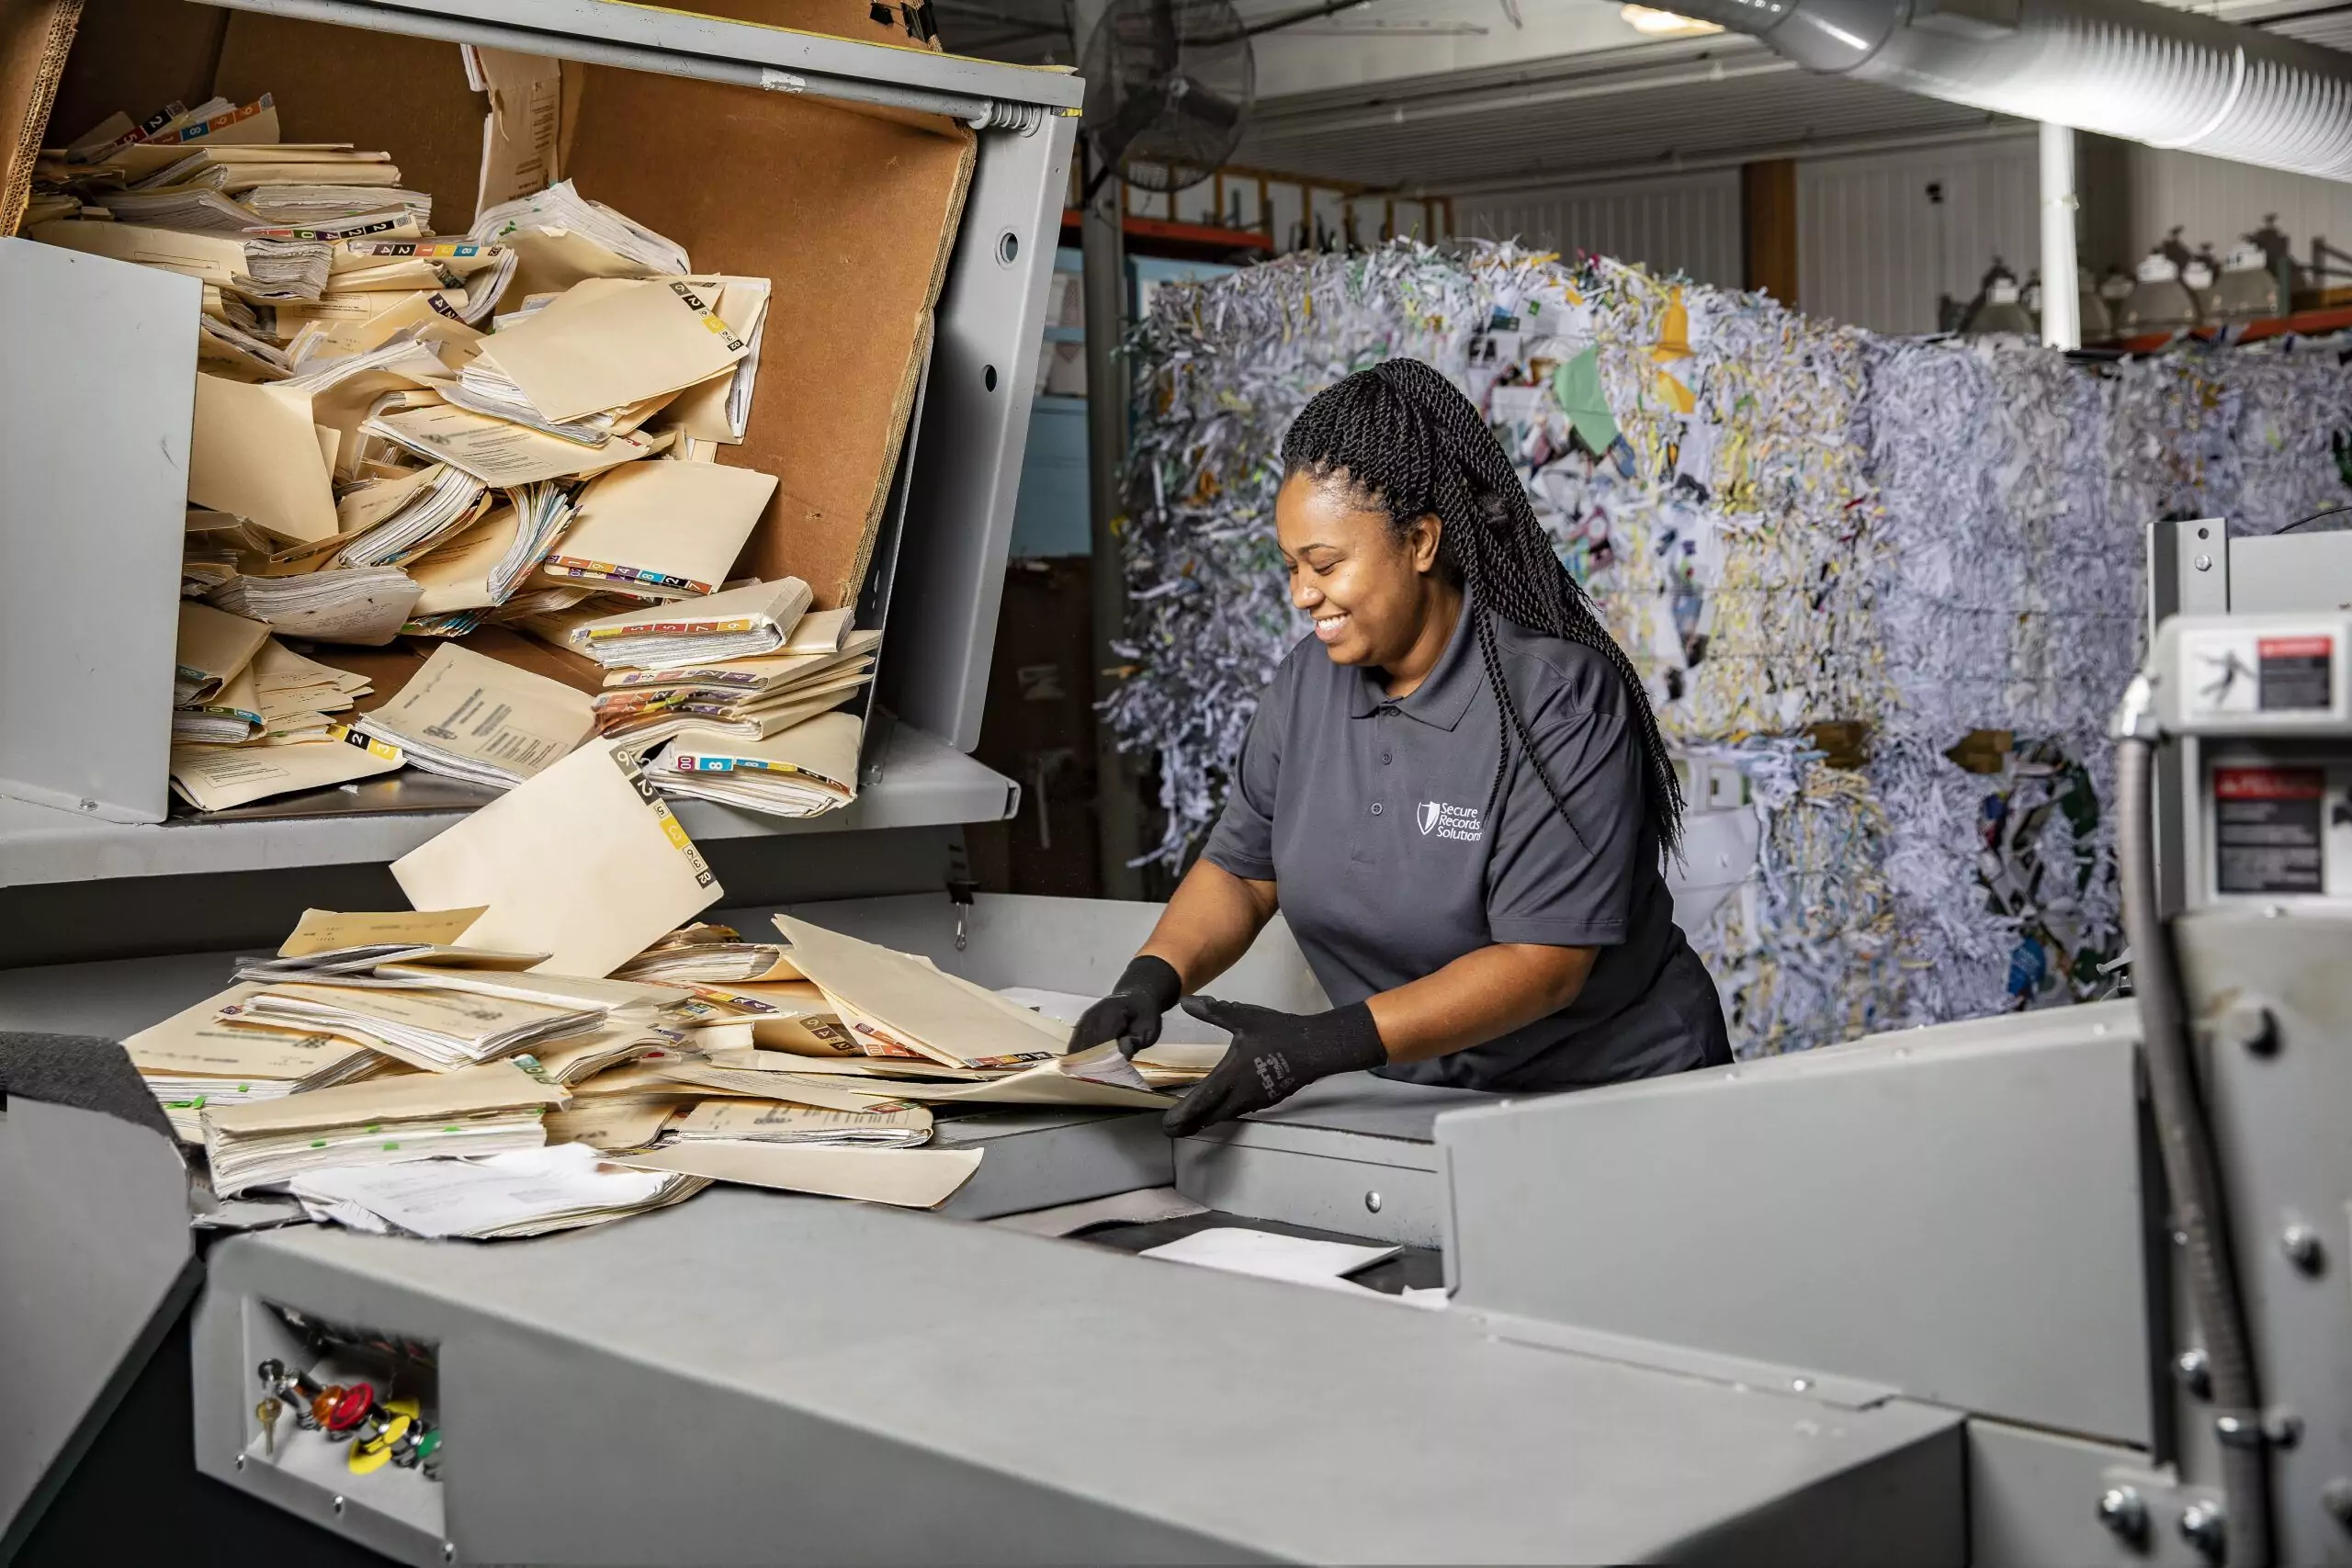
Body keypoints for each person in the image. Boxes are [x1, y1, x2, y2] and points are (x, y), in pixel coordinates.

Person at [1072, 357, 1731, 1136]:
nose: (1301, 594)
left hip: (1611, 1098)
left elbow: (1542, 963)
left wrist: (1325, 1042)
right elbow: (1244, 874)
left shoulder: (1556, 699)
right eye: (1291, 567)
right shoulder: (1306, 685)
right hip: (1424, 1101)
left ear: (1421, 541)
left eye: (1325, 564)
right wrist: (1149, 979)